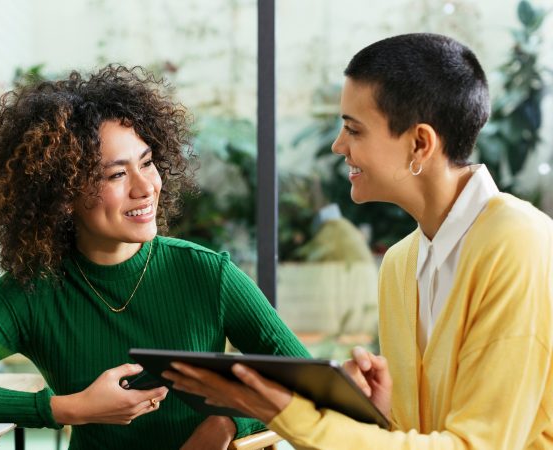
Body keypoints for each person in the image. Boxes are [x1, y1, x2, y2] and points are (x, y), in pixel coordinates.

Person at [164, 33, 553, 448]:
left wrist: (284, 410)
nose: (338, 145)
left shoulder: (521, 244)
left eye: (354, 129)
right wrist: (379, 418)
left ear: (419, 144)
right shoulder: (401, 264)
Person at [0, 65, 310, 449]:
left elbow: (307, 385)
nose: (144, 187)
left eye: (146, 163)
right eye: (116, 174)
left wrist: (227, 424)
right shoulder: (32, 291)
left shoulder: (207, 274)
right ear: (62, 196)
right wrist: (67, 408)